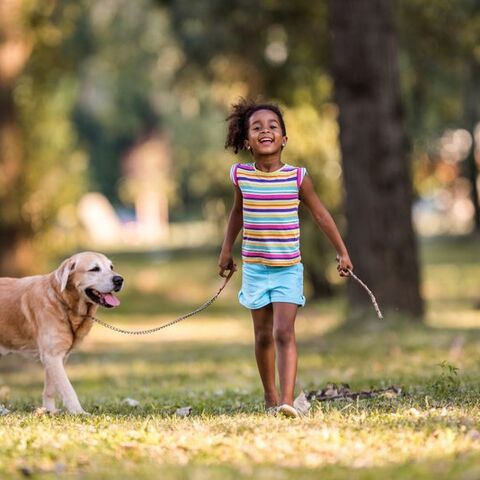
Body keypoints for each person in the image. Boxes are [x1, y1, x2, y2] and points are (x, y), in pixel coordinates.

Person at [218, 98, 353, 417]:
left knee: (283, 331)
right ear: (247, 140)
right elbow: (238, 213)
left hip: (287, 269)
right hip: (254, 268)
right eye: (257, 127)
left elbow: (321, 215)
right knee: (263, 335)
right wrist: (226, 250)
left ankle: (287, 402)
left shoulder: (297, 177)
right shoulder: (241, 176)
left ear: (284, 139)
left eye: (273, 126)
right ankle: (270, 398)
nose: (265, 131)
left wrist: (342, 251)